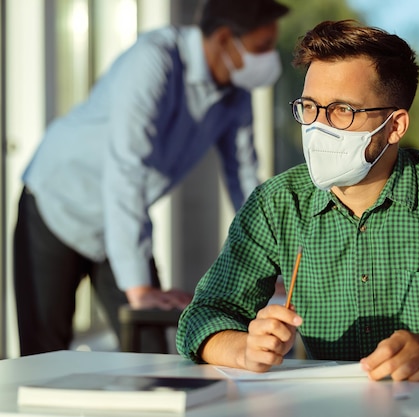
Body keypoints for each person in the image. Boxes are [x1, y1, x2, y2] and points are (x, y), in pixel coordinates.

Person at [176, 20, 419, 382]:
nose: (318, 126)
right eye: (309, 107)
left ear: (395, 126)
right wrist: (244, 348)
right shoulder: (278, 203)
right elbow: (203, 316)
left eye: (342, 110)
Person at [14, 0, 290, 356]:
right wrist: (139, 287)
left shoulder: (235, 94)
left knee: (151, 353)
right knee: (44, 354)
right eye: (262, 47)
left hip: (124, 220)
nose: (270, 59)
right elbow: (126, 168)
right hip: (58, 202)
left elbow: (245, 178)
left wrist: (274, 262)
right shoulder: (153, 60)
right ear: (225, 39)